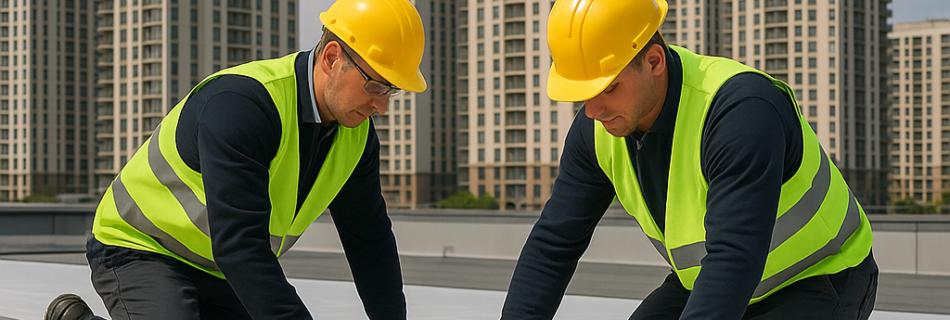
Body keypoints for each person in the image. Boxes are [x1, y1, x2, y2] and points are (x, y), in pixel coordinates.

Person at [43, 0, 426, 319]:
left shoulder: (356, 137)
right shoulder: (242, 106)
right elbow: (240, 245)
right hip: (143, 248)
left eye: (391, 91)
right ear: (331, 58)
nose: (381, 107)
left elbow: (369, 241)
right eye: (375, 86)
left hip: (220, 267)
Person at [501, 0, 878, 319]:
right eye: (583, 93)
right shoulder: (597, 129)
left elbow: (734, 256)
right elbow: (554, 243)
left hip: (821, 278)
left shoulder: (741, 111)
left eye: (609, 88)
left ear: (653, 61)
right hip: (711, 280)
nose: (592, 110)